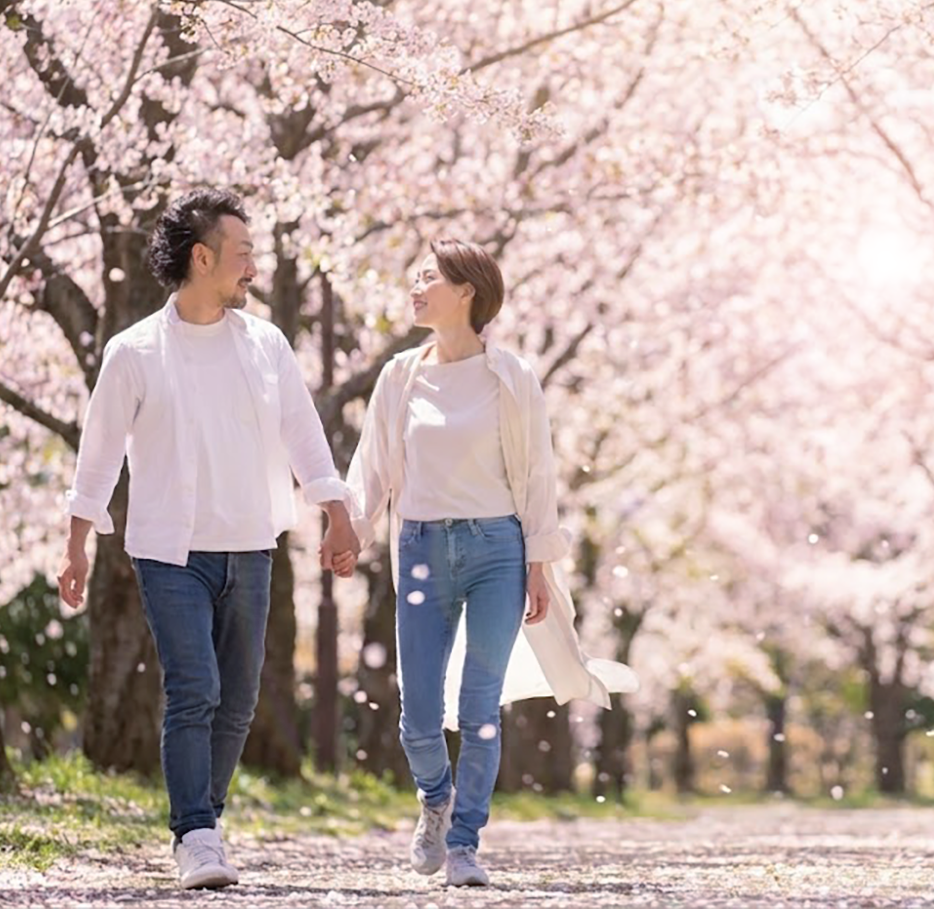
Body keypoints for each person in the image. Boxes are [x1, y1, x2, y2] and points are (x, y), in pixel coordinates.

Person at [56, 188, 360, 890]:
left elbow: (304, 436)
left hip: (251, 546)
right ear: (204, 257)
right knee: (194, 689)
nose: (254, 266)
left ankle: (205, 822)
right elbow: (98, 456)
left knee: (239, 699)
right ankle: (194, 832)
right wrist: (76, 542)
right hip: (169, 552)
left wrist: (334, 507)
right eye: (244, 252)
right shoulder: (133, 352)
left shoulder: (265, 345)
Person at [344, 239, 638, 888]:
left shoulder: (511, 377)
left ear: (467, 292)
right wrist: (351, 529)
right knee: (418, 711)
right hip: (420, 548)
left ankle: (466, 842)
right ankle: (434, 802)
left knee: (478, 707)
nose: (415, 288)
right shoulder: (400, 377)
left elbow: (537, 475)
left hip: (496, 551)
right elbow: (374, 467)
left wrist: (538, 562)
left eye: (429, 278)